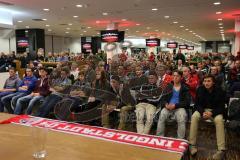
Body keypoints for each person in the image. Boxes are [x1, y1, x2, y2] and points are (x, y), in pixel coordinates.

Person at [189, 75, 226, 160]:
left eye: (209, 81)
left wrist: (211, 113)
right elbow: (197, 104)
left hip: (215, 111)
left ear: (213, 82)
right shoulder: (200, 89)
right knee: (194, 116)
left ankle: (221, 150)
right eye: (205, 81)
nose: (206, 83)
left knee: (219, 120)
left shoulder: (220, 90)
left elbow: (222, 107)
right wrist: (203, 112)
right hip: (203, 110)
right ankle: (192, 145)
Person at [157, 70, 190, 139]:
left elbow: (187, 102)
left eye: (177, 76)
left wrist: (175, 105)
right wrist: (166, 104)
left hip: (179, 107)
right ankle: (159, 137)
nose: (175, 77)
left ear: (181, 77)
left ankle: (180, 139)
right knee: (162, 115)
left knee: (181, 118)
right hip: (168, 107)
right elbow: (163, 98)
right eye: (174, 76)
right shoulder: (169, 86)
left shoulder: (185, 88)